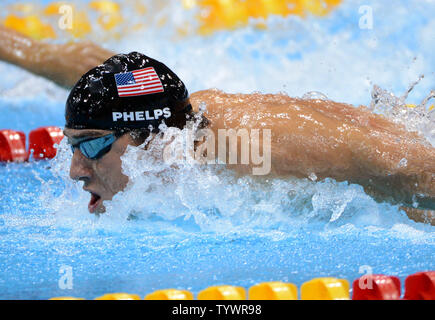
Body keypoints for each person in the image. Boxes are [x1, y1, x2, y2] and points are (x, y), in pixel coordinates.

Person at [0, 26, 433, 224]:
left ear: (146, 139)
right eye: (71, 146)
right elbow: (90, 69)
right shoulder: (165, 123)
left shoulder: (253, 146)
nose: (76, 169)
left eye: (91, 147)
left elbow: (401, 165)